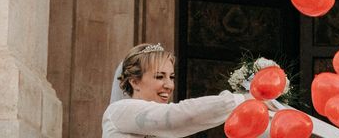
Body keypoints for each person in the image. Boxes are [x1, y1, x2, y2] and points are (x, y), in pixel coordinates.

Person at [102, 43, 247, 137]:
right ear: (134, 82)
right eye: (159, 77)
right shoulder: (119, 110)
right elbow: (178, 115)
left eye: (171, 77)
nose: (169, 85)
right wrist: (241, 100)